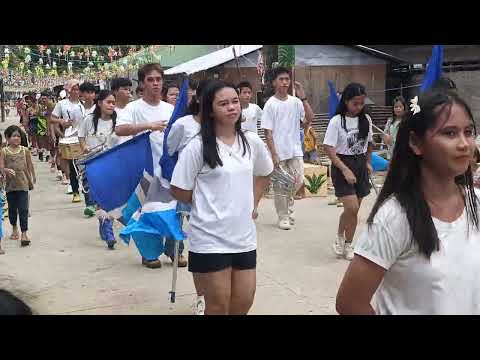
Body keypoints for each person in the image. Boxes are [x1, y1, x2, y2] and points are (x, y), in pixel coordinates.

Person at [336, 90, 480, 315]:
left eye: (469, 132)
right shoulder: (394, 218)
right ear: (415, 142)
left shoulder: (476, 204)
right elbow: (350, 303)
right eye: (450, 133)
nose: (464, 144)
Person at [170, 80, 273, 315]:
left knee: (243, 302)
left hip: (243, 236)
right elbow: (178, 188)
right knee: (218, 305)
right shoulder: (197, 147)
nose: (232, 108)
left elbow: (265, 172)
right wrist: (204, 202)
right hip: (209, 238)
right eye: (223, 103)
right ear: (209, 110)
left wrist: (253, 202)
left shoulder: (252, 142)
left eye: (235, 101)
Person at [115, 63, 174, 269]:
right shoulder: (133, 108)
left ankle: (174, 248)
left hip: (168, 170)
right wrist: (149, 126)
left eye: (158, 79)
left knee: (172, 210)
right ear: (142, 83)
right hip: (143, 172)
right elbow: (120, 129)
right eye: (150, 79)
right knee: (143, 212)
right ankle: (149, 253)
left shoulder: (170, 108)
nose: (155, 83)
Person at [167, 79, 209, 314]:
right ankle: (201, 295)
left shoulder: (227, 126)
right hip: (190, 194)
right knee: (199, 247)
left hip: (219, 197)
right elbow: (170, 152)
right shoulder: (183, 125)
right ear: (200, 99)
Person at [323, 83, 373, 261]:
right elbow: (328, 148)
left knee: (354, 210)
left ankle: (348, 243)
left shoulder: (366, 119)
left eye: (361, 103)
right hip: (341, 163)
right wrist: (344, 169)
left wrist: (368, 162)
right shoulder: (336, 121)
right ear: (345, 102)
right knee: (351, 207)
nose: (359, 107)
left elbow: (369, 144)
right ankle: (339, 236)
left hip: (360, 164)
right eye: (355, 103)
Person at [261, 66, 314, 230]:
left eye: (287, 79)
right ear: (274, 83)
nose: (285, 82)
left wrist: (303, 97)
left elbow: (309, 119)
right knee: (280, 186)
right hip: (279, 152)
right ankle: (283, 216)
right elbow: (267, 132)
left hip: (295, 150)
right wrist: (274, 154)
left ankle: (288, 207)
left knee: (297, 181)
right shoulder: (270, 104)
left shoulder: (296, 102)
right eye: (281, 79)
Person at [79, 90, 119, 249]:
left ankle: (106, 226)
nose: (111, 105)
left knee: (110, 200)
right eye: (108, 102)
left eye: (113, 102)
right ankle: (108, 230)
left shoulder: (119, 120)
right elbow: (81, 137)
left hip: (113, 165)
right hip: (94, 164)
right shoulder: (89, 120)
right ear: (100, 103)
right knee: (100, 199)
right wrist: (85, 147)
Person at [0, 125, 36, 247]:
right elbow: (1, 166)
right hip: (10, 185)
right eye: (14, 136)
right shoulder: (4, 151)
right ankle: (14, 227)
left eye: (18, 136)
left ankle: (24, 233)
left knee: (23, 209)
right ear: (7, 138)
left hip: (23, 183)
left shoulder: (24, 150)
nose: (17, 138)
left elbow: (29, 164)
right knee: (12, 209)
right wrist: (5, 170)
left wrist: (33, 176)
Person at [50, 79, 85, 202]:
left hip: (84, 138)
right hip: (70, 138)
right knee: (73, 166)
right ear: (68, 90)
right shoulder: (62, 104)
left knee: (85, 167)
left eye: (78, 89)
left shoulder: (84, 103)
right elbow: (52, 118)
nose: (76, 92)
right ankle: (76, 192)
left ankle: (89, 196)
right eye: (74, 89)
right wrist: (62, 122)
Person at [111, 77, 132, 145]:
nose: (128, 92)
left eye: (129, 89)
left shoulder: (134, 109)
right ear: (115, 91)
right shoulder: (109, 111)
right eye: (125, 89)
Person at [36, 92, 55, 163]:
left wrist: (48, 129)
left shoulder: (51, 105)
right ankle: (48, 155)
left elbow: (49, 118)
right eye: (42, 98)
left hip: (51, 126)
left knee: (51, 142)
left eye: (45, 98)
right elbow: (40, 115)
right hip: (43, 125)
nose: (43, 100)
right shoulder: (42, 105)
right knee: (44, 141)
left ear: (48, 98)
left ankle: (52, 158)